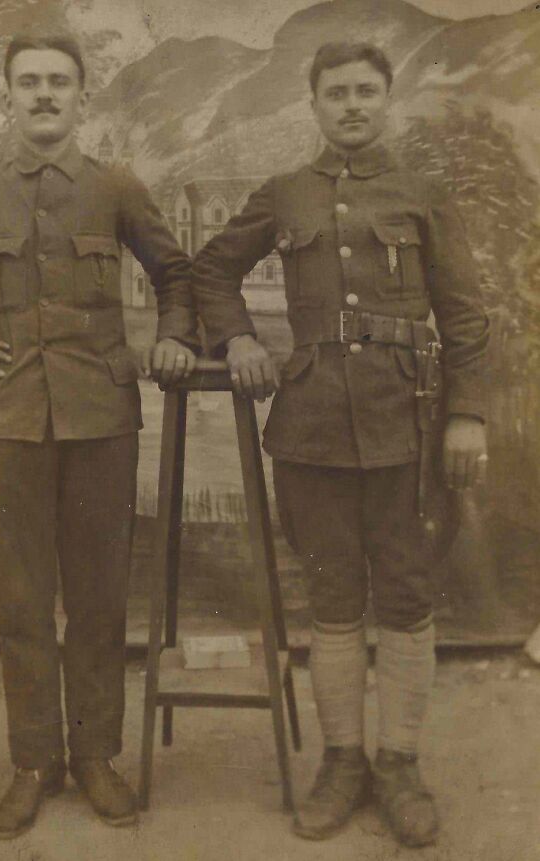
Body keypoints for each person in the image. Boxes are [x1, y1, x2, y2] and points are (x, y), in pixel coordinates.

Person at [0, 33, 198, 838]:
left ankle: (95, 757)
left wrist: (174, 337)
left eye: (59, 82)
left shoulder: (116, 188)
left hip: (101, 418)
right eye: (28, 82)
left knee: (97, 600)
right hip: (7, 424)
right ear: (10, 96)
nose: (44, 95)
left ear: (82, 96)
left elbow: (178, 273)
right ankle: (33, 762)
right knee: (22, 603)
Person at [191, 42, 488, 848]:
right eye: (336, 93)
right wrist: (240, 341)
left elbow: (464, 316)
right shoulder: (286, 194)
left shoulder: (424, 194)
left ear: (386, 99)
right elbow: (212, 272)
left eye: (365, 91)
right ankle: (343, 761)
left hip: (408, 426)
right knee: (330, 601)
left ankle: (399, 764)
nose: (351, 105)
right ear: (314, 105)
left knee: (404, 596)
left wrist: (468, 416)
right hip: (312, 426)